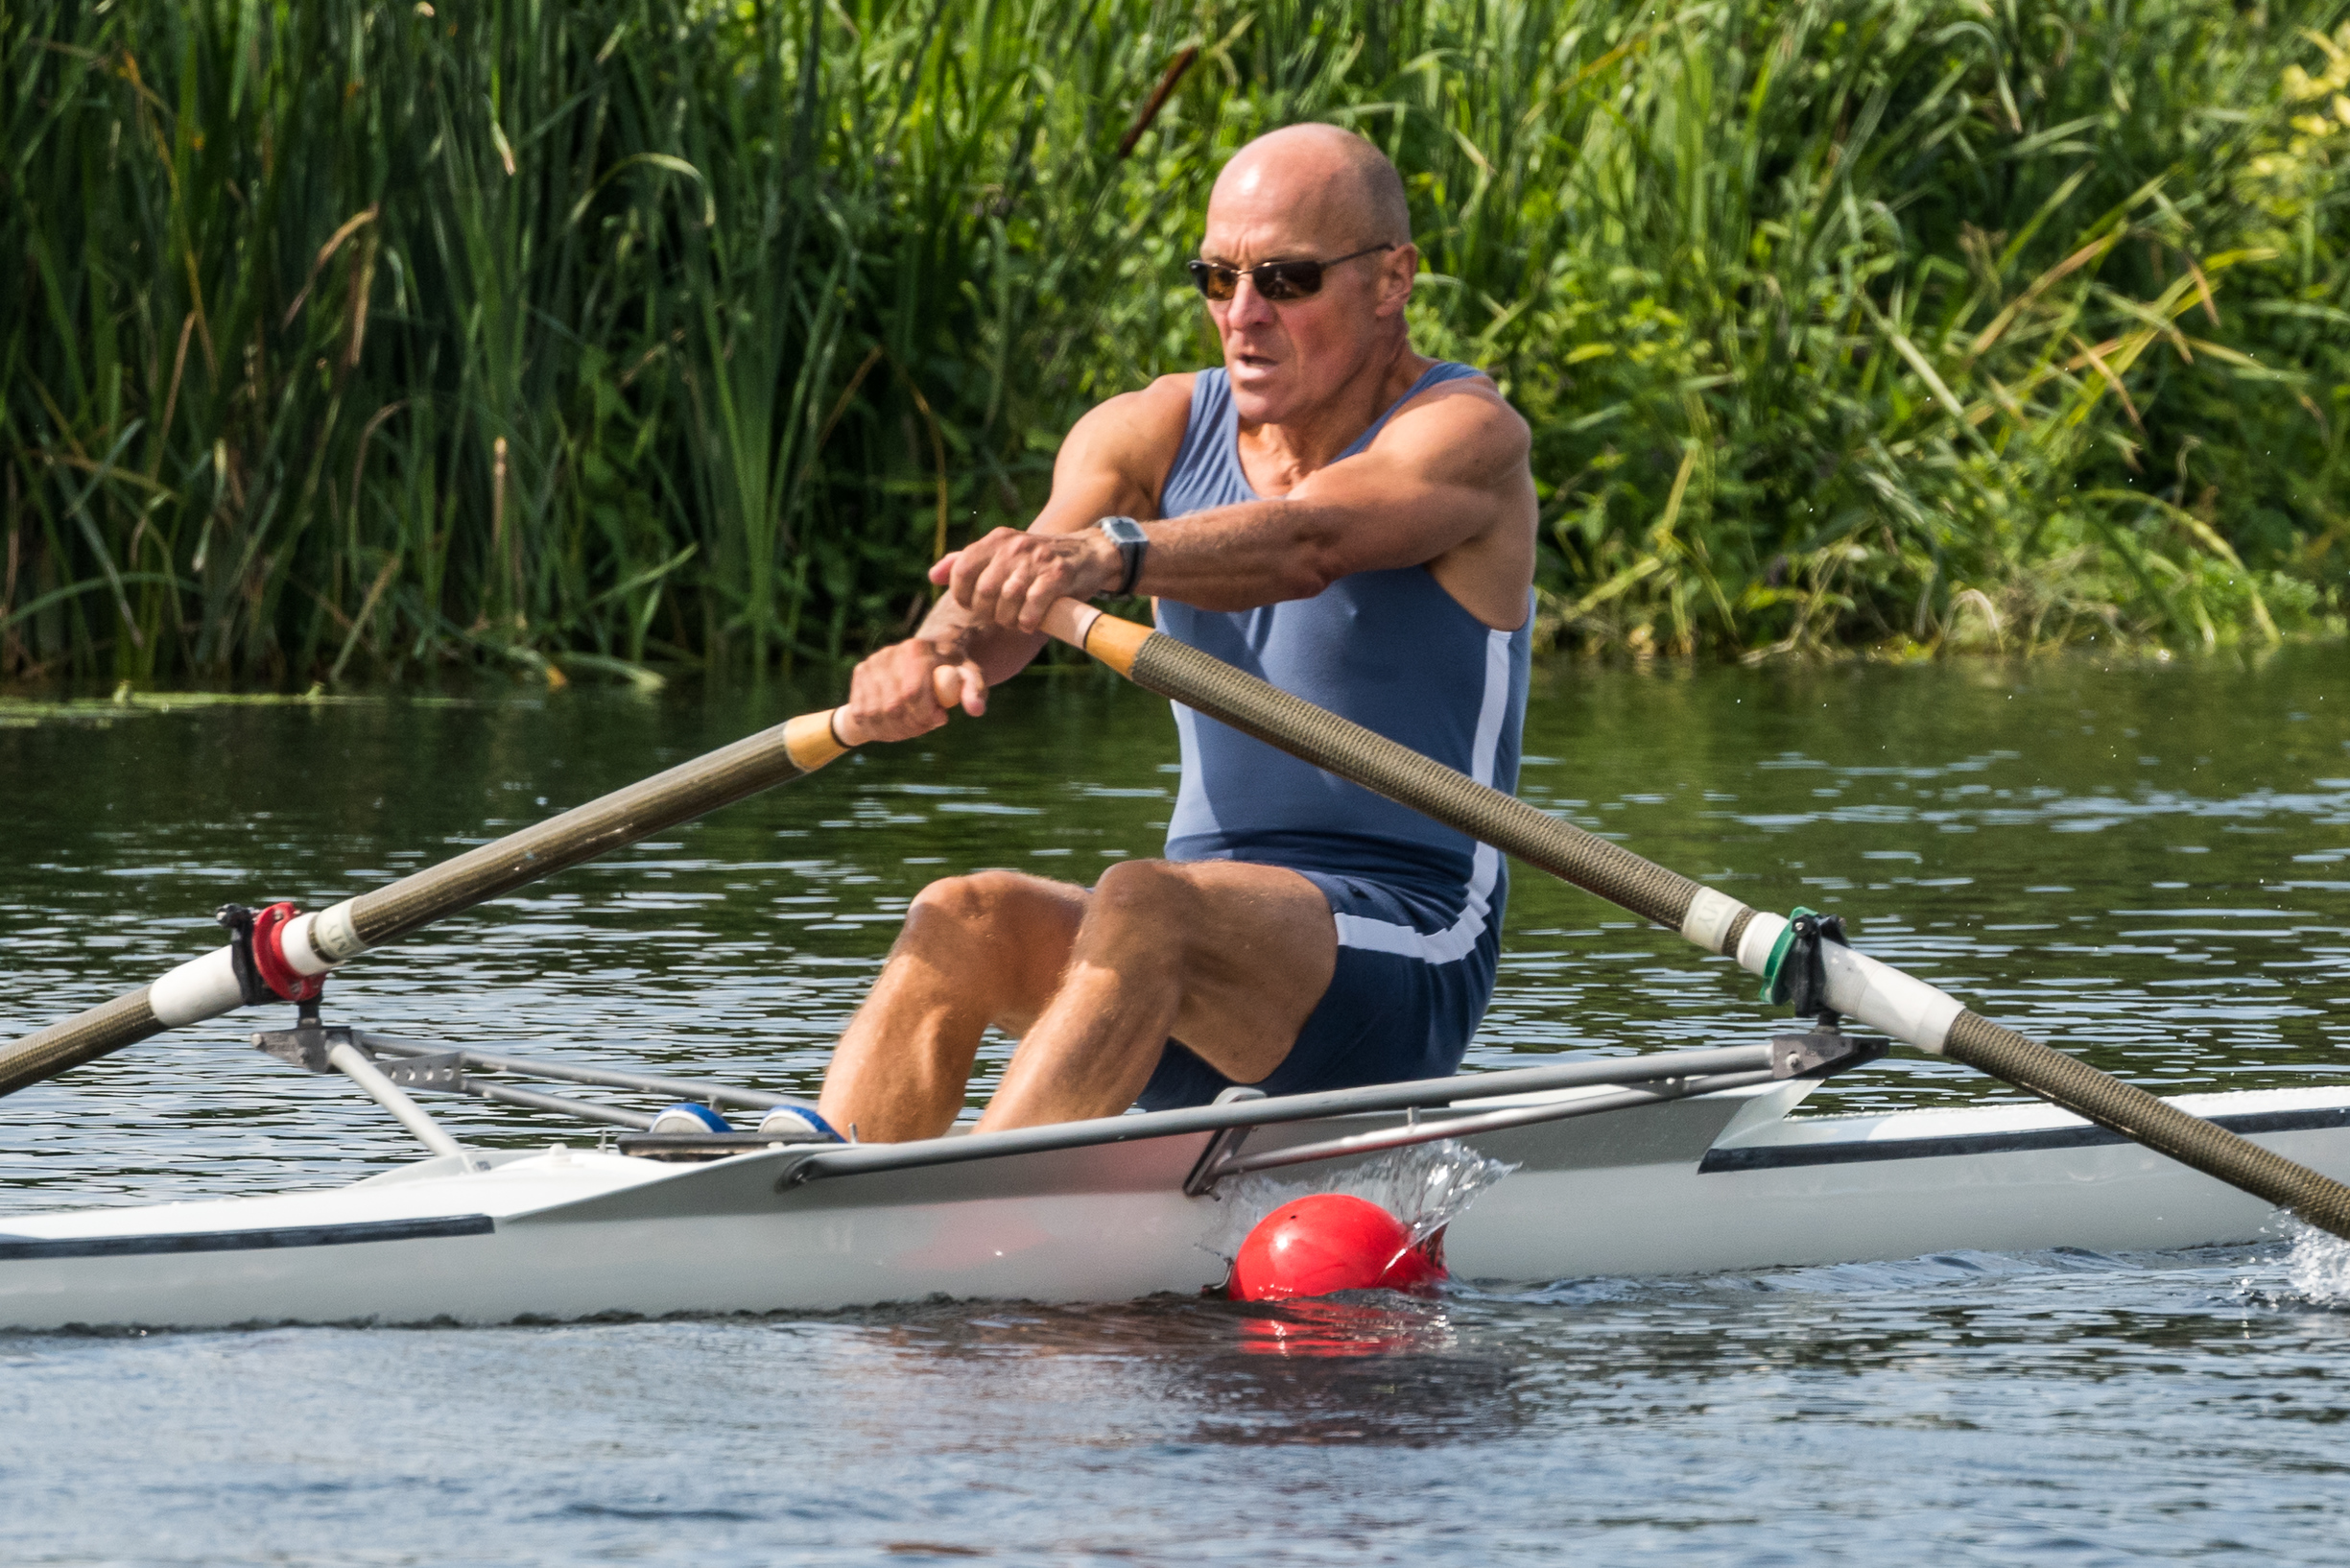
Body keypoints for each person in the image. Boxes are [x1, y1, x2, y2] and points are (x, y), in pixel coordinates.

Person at [814, 123, 1537, 1143]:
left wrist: (1112, 556)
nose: (1241, 318)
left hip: (1402, 954)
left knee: (1147, 902)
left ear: (1391, 280)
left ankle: (971, 1217)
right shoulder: (1148, 426)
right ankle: (834, 1197)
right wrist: (931, 651)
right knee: (961, 911)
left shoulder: (1465, 434)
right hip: (1175, 955)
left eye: (1285, 280)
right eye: (1216, 277)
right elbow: (1017, 590)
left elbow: (1311, 540)